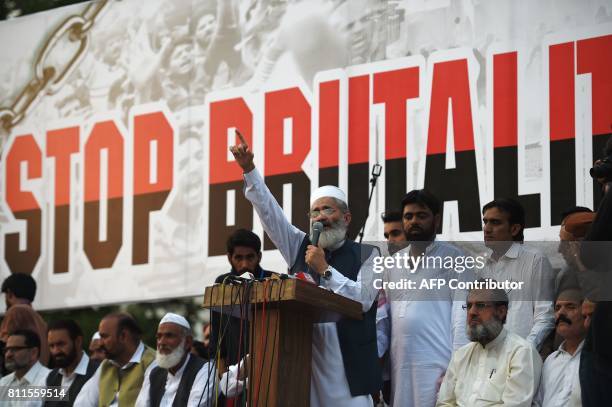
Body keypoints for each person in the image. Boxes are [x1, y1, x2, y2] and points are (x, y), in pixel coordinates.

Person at [229, 130, 381, 406]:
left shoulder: (370, 255)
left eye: (328, 210)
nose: (321, 217)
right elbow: (269, 213)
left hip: (348, 376)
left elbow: (364, 301)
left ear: (346, 218)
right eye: (315, 212)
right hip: (303, 367)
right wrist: (249, 169)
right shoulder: (298, 245)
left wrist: (325, 270)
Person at [377, 190, 469, 406]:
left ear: (436, 220)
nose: (414, 221)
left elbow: (461, 319)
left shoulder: (455, 258)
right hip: (399, 370)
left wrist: (456, 371)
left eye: (421, 215)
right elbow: (386, 322)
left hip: (438, 366)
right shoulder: (393, 264)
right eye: (408, 217)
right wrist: (384, 375)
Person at [436, 280, 542, 406]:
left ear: (501, 312)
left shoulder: (521, 352)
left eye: (480, 305)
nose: (472, 312)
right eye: (469, 306)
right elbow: (444, 403)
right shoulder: (461, 355)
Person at [479, 198, 555, 349]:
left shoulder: (535, 260)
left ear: (514, 229)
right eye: (485, 221)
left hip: (521, 356)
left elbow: (545, 316)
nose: (487, 228)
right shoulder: (483, 267)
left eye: (495, 222)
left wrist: (526, 350)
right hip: (489, 356)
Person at [209, 229, 272, 379]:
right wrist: (222, 372)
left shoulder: (273, 281)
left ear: (259, 257)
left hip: (265, 369)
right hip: (231, 372)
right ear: (229, 258)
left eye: (250, 257)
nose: (244, 264)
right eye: (238, 258)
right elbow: (217, 333)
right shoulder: (222, 283)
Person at [74, 312, 156, 406]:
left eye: (104, 337)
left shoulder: (152, 363)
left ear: (123, 336)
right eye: (52, 345)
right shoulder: (106, 365)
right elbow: (82, 403)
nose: (100, 343)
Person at [136, 313, 216, 407]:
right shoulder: (153, 372)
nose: (161, 342)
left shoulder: (205, 370)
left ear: (187, 342)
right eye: (159, 337)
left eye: (169, 336)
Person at [534, 289, 586, 406]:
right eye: (557, 308)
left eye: (570, 307)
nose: (561, 313)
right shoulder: (550, 361)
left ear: (586, 314)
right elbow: (538, 402)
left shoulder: (597, 359)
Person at [45, 320, 100, 407]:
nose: (56, 351)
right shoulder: (53, 377)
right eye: (52, 346)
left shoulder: (98, 374)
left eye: (61, 344)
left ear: (78, 341)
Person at [1, 273, 49, 367]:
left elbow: (3, 343)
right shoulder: (39, 319)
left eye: (5, 296)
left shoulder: (15, 311)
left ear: (10, 294)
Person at [0, 329, 51, 406]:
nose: (8, 355)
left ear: (33, 353)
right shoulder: (3, 382)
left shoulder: (52, 380)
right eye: (7, 350)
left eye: (15, 349)